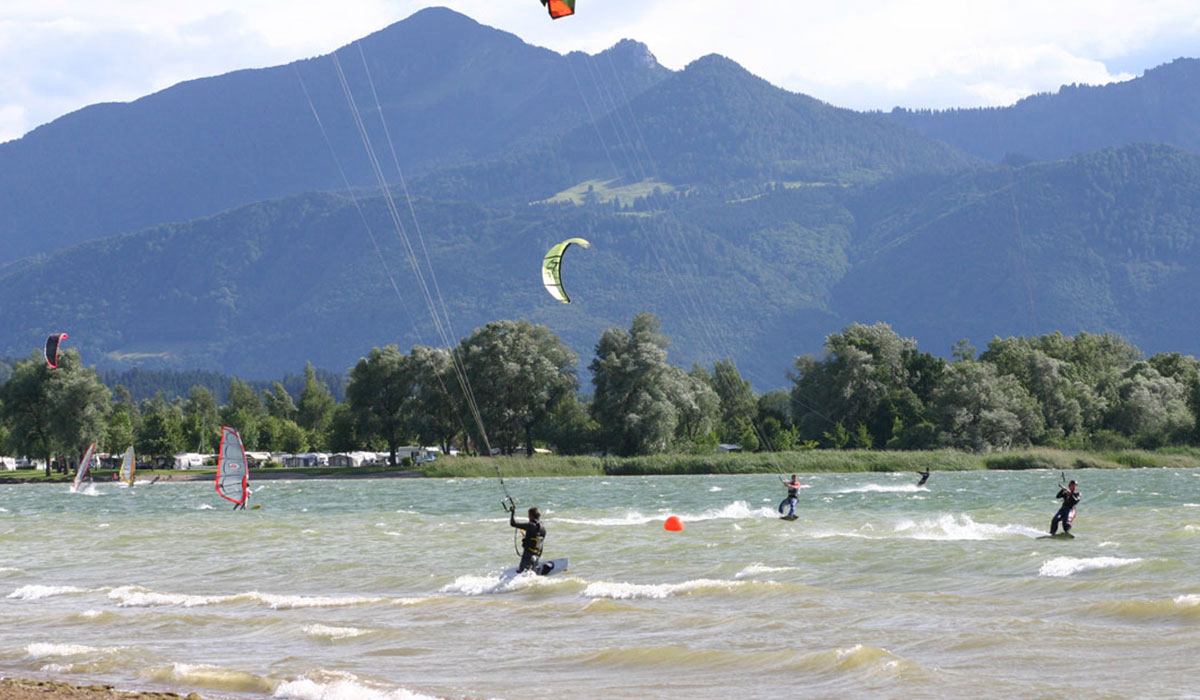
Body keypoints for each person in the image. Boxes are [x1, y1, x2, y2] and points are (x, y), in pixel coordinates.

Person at [509, 505, 545, 574]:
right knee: (532, 570)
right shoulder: (542, 527)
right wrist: (527, 536)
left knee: (522, 573)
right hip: (537, 553)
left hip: (528, 555)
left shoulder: (530, 525)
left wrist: (512, 512)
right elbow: (537, 538)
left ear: (531, 516)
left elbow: (513, 523)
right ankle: (535, 568)